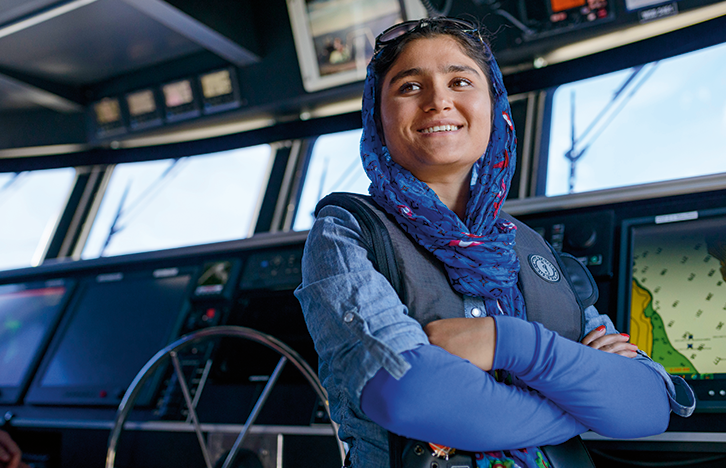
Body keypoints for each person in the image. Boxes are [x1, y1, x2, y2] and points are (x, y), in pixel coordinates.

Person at [295, 17, 696, 468]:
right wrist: (580, 405)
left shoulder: (531, 249)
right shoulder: (348, 231)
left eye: (460, 80)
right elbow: (411, 396)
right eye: (409, 87)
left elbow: (647, 406)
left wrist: (510, 342)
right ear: (378, 116)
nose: (438, 101)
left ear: (493, 105)